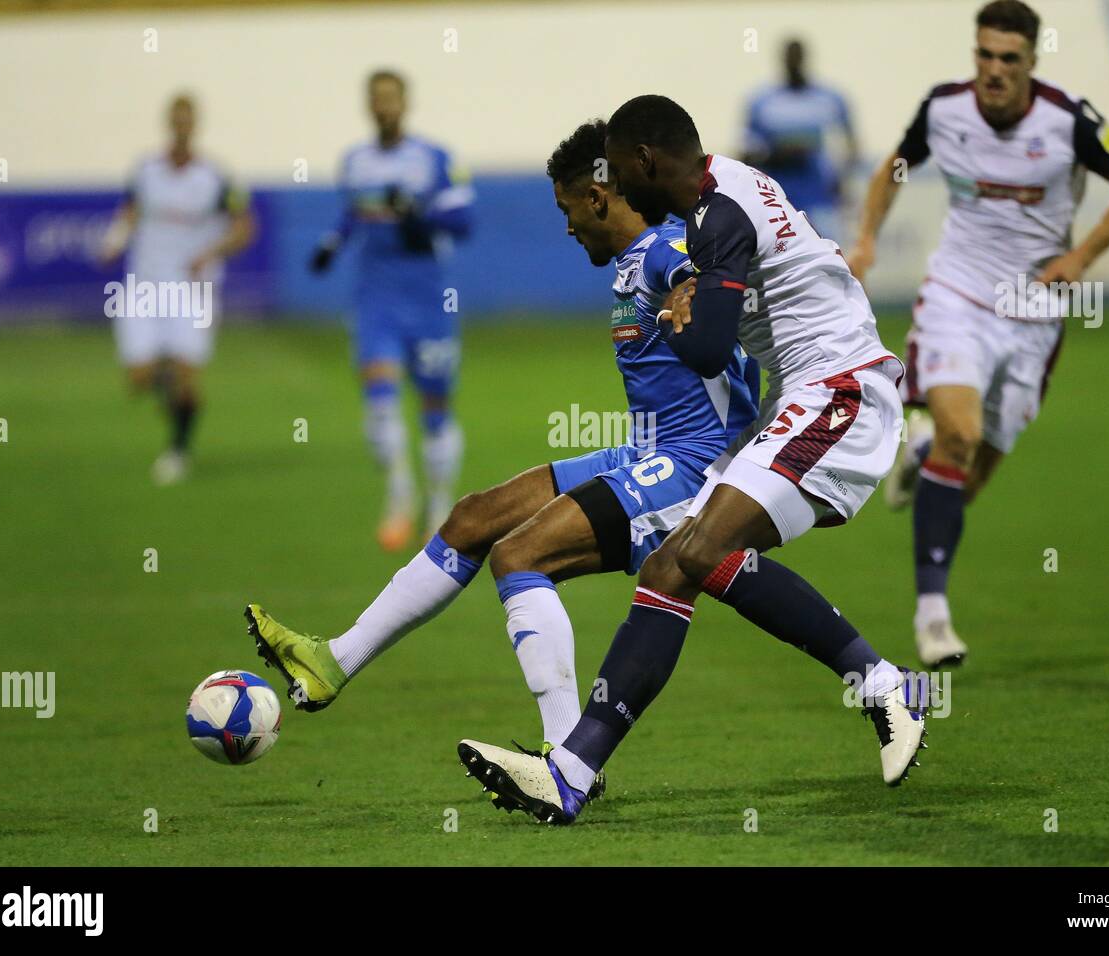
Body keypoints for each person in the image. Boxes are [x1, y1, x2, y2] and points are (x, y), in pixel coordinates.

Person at [458, 95, 934, 826]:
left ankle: (883, 683)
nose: (615, 190)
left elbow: (709, 347)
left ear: (646, 163)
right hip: (803, 398)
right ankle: (571, 773)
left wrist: (674, 319)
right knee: (671, 566)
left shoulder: (719, 217)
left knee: (704, 547)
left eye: (619, 173)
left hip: (842, 391)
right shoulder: (724, 193)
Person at [246, 120, 757, 799]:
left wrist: (697, 287)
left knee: (520, 556)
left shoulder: (666, 250)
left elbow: (707, 286)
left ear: (597, 199)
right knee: (473, 517)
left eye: (566, 210)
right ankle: (331, 662)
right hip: (649, 450)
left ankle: (569, 757)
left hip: (695, 470)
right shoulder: (637, 260)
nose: (567, 228)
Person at [846, 0, 1109, 667]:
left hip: (1035, 313)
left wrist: (1081, 258)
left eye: (1008, 59)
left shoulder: (1069, 121)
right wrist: (865, 242)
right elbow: (894, 167)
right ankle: (932, 614)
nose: (993, 70)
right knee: (961, 431)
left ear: (1032, 62)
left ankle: (923, 464)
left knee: (971, 470)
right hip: (958, 293)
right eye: (984, 54)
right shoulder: (944, 108)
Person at [310, 70, 474, 549]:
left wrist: (417, 215)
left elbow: (463, 221)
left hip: (427, 298)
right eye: (376, 100)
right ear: (368, 105)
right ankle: (399, 496)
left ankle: (439, 503)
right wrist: (332, 243)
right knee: (380, 402)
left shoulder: (435, 158)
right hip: (375, 297)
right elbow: (353, 214)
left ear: (406, 103)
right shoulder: (354, 162)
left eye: (391, 99)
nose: (384, 108)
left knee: (435, 408)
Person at [100, 93, 254, 484]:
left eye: (188, 120)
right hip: (145, 285)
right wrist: (115, 239)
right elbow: (131, 211)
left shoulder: (215, 177)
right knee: (138, 378)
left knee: (188, 372)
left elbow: (244, 227)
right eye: (176, 119)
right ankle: (167, 381)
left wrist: (211, 252)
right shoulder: (146, 170)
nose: (182, 126)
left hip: (191, 289)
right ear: (169, 123)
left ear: (195, 125)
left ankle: (177, 451)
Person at [743, 38, 859, 244]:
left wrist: (842, 178)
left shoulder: (830, 98)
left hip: (820, 197)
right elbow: (746, 153)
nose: (793, 63)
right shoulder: (762, 101)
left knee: (827, 249)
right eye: (789, 58)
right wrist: (777, 155)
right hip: (778, 199)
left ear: (805, 59)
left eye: (797, 58)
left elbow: (852, 145)